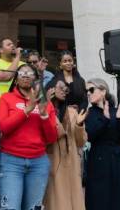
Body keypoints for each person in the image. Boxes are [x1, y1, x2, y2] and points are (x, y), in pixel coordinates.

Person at [0, 63, 57, 210]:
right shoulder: (6, 98)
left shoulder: (45, 104)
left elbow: (51, 138)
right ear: (16, 79)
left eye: (29, 73)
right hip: (11, 162)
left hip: (38, 163)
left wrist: (43, 114)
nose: (25, 75)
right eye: (22, 73)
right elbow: (4, 127)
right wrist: (27, 110)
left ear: (35, 79)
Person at [84, 77, 120, 210]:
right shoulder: (89, 113)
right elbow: (90, 136)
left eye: (91, 89)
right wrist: (105, 119)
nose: (88, 93)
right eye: (86, 91)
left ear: (103, 91)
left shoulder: (116, 111)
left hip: (118, 160)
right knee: (100, 200)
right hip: (98, 161)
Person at [43, 77, 87, 210]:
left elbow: (81, 141)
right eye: (60, 88)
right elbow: (53, 134)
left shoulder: (73, 112)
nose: (64, 91)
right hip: (54, 163)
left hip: (72, 165)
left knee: (75, 202)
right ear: (50, 89)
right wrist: (48, 105)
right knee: (58, 203)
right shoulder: (43, 111)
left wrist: (79, 125)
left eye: (66, 89)